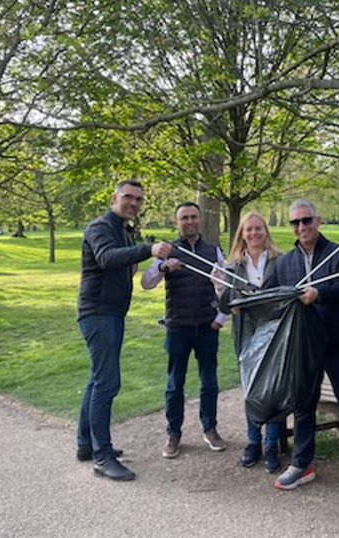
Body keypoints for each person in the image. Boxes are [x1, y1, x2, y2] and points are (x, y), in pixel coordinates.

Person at [264, 199, 339, 499]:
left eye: (306, 220)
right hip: (304, 346)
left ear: (318, 220)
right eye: (295, 223)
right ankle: (302, 464)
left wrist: (319, 293)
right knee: (304, 406)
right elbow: (268, 294)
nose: (301, 227)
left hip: (338, 343)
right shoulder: (283, 262)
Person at [76, 179, 174, 481]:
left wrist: (145, 263)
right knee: (107, 383)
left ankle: (86, 445)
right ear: (113, 198)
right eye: (128, 197)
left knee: (97, 380)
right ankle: (102, 457)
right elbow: (106, 257)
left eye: (139, 199)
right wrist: (148, 249)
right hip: (98, 313)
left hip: (112, 313)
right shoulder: (100, 226)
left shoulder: (121, 229)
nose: (134, 203)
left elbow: (119, 262)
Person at [141, 202, 228, 459]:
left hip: (207, 326)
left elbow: (225, 288)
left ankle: (209, 428)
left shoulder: (213, 250)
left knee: (209, 381)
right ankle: (173, 433)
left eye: (193, 217)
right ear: (177, 222)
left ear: (199, 220)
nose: (189, 222)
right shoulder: (167, 250)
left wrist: (220, 319)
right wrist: (162, 267)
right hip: (177, 326)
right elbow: (146, 282)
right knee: (174, 383)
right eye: (184, 218)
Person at [217, 211, 283, 473]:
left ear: (265, 231)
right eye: (249, 230)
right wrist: (221, 288)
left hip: (274, 333)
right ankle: (253, 443)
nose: (254, 233)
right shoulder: (233, 266)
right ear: (242, 235)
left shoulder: (280, 261)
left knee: (274, 390)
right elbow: (224, 304)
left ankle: (270, 446)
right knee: (250, 388)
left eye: (258, 229)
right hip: (245, 334)